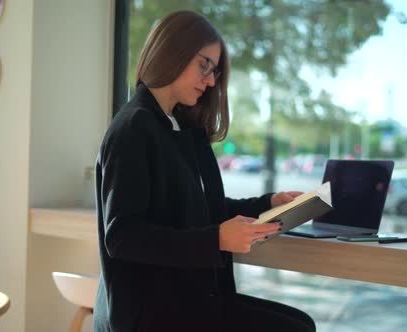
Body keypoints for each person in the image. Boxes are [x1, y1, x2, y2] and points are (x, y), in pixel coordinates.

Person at [93, 10, 316, 332]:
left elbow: (202, 211)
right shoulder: (132, 127)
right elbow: (123, 236)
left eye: (214, 71)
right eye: (204, 65)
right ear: (172, 51)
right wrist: (214, 240)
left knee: (299, 324)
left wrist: (268, 204)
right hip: (154, 313)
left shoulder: (184, 129)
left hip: (194, 299)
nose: (210, 80)